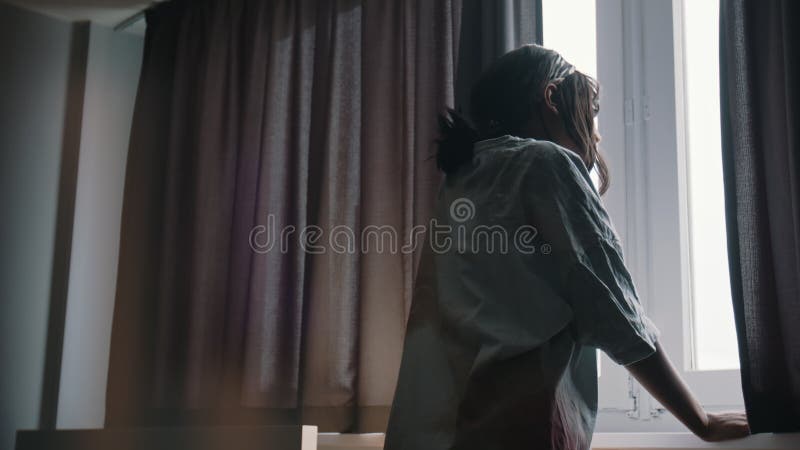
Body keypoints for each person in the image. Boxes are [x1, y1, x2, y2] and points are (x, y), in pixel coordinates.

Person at [383, 44, 750, 450]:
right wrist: (702, 420)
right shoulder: (545, 163)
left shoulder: (462, 178)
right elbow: (613, 308)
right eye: (590, 114)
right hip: (514, 425)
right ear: (551, 96)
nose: (594, 132)